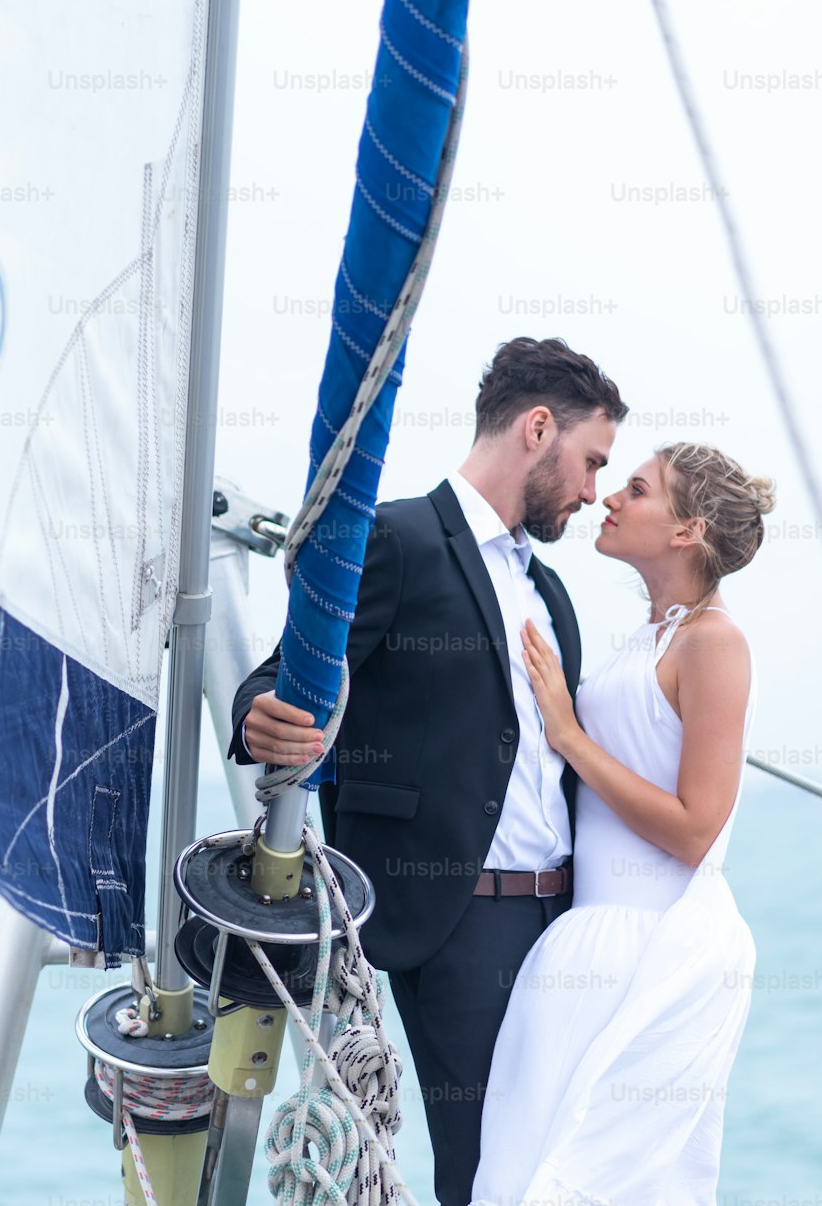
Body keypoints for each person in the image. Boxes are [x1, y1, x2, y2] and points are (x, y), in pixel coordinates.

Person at [228, 336, 629, 1206]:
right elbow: (282, 678)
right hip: (457, 919)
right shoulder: (398, 540)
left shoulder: (550, 592)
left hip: (562, 923)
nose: (595, 490)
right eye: (593, 460)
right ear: (536, 429)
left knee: (558, 1163)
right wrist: (256, 716)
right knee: (487, 1174)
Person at [470, 442, 776, 1206]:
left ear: (686, 531)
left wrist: (570, 734)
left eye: (636, 489)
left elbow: (696, 828)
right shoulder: (653, 635)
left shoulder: (714, 642)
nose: (608, 497)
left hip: (650, 944)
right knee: (520, 1171)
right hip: (587, 938)